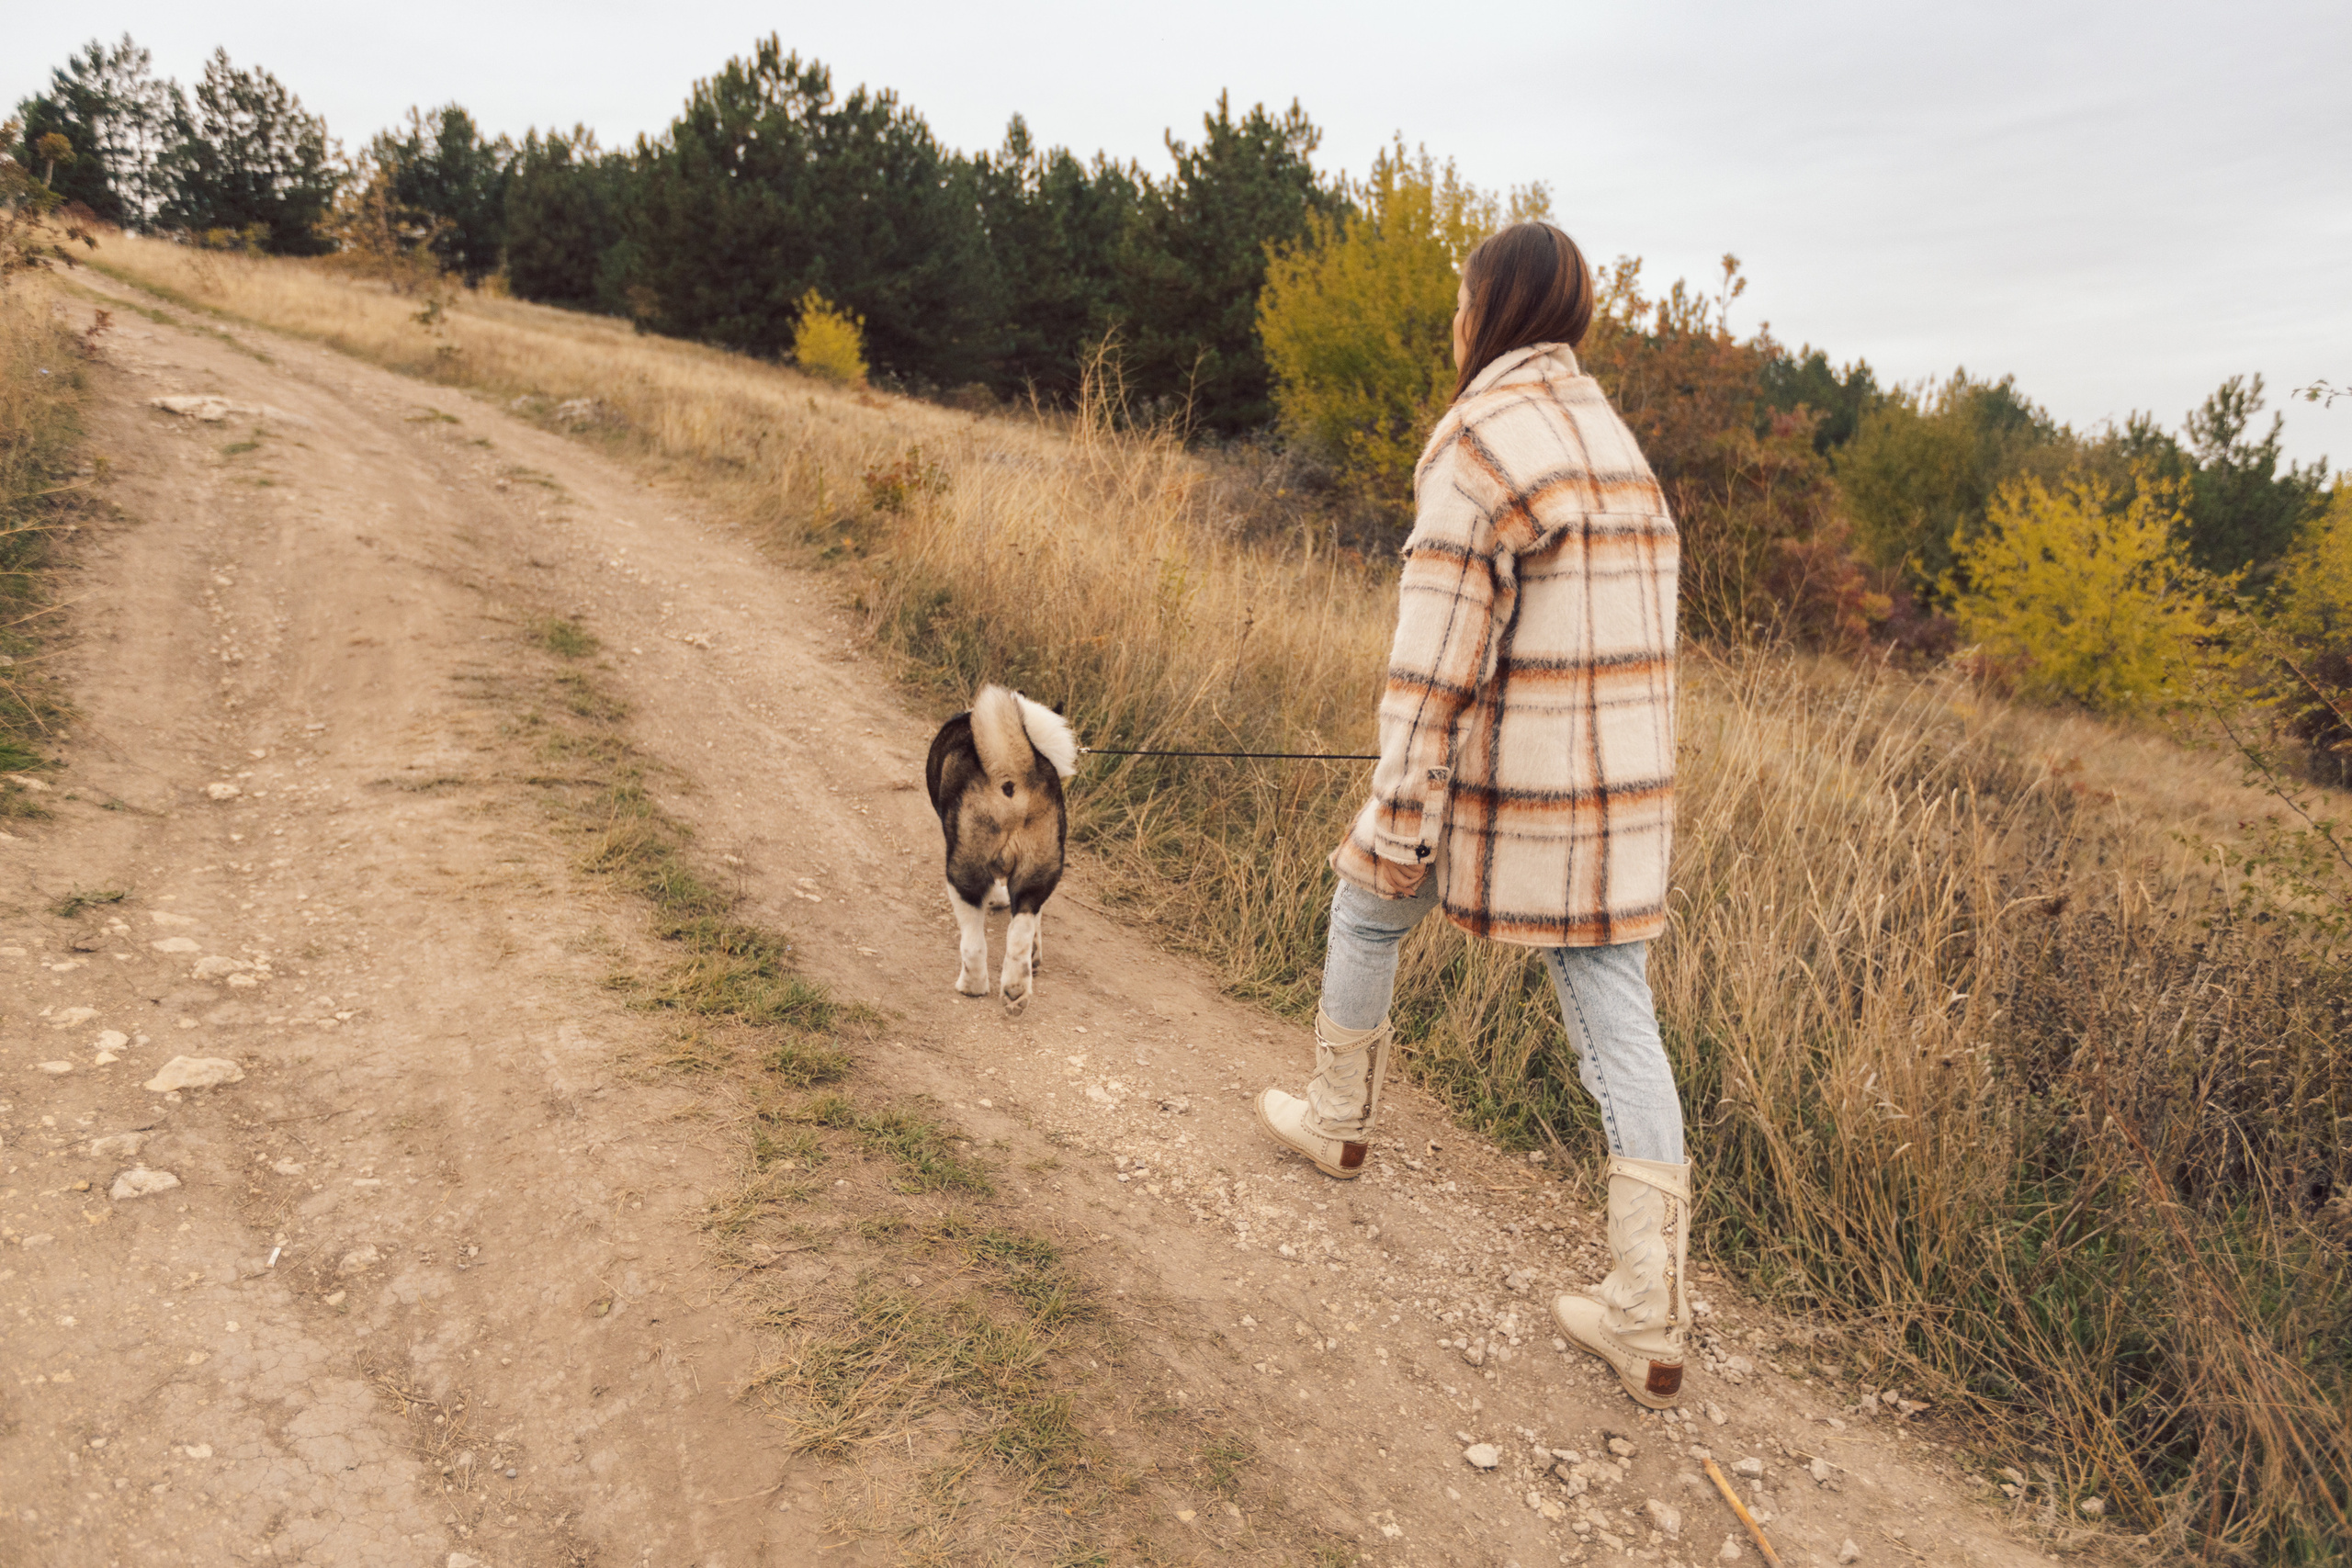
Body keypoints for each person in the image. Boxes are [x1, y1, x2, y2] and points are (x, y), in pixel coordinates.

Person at [1253, 221, 1690, 1409]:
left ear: (1488, 312)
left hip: (1510, 794)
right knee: (1619, 1023)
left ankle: (1338, 1119)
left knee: (1365, 897)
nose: (1455, 321)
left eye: (1462, 301)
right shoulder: (1615, 444)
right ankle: (1649, 1313)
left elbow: (1435, 658)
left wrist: (1401, 810)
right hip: (1620, 799)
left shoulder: (1480, 441)